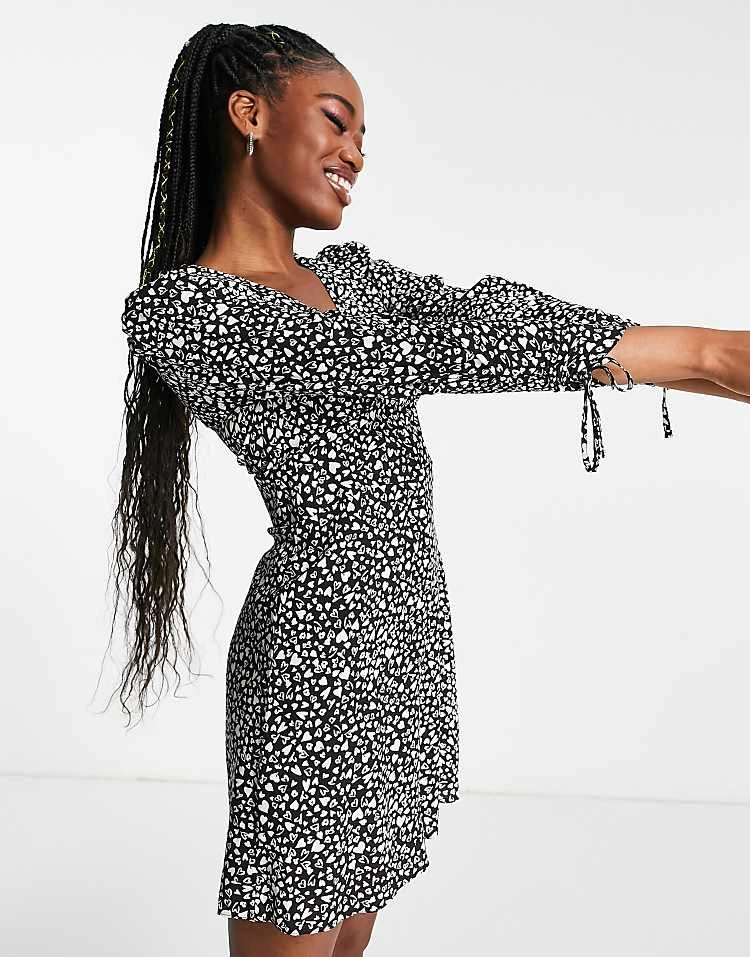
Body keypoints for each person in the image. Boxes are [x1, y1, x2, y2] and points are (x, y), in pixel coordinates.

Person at [110, 21, 749, 957]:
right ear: (249, 114)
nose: (355, 154)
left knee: (350, 937)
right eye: (337, 121)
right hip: (317, 661)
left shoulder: (351, 278)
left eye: (363, 137)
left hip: (403, 641)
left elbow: (485, 313)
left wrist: (712, 367)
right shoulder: (185, 309)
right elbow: (405, 352)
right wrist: (703, 351)